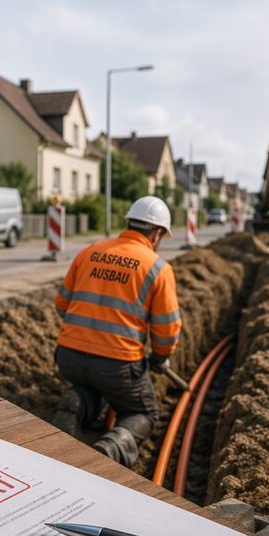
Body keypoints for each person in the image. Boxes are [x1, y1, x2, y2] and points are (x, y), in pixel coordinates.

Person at [51, 196, 182, 467]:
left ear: (129, 223)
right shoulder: (158, 268)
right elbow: (167, 331)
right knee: (143, 412)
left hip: (68, 359)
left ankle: (79, 400)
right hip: (118, 368)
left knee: (94, 386)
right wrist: (160, 357)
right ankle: (109, 450)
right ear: (157, 234)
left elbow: (62, 304)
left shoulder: (89, 252)